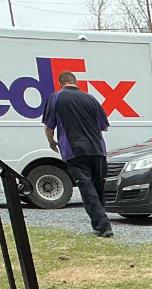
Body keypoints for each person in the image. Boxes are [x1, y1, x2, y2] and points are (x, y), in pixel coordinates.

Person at [42, 72, 113, 238]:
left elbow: (49, 126)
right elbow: (104, 126)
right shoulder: (91, 99)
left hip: (74, 150)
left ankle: (102, 226)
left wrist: (51, 141)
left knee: (87, 188)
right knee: (97, 188)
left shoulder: (56, 98)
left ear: (61, 83)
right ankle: (100, 223)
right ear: (75, 82)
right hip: (98, 149)